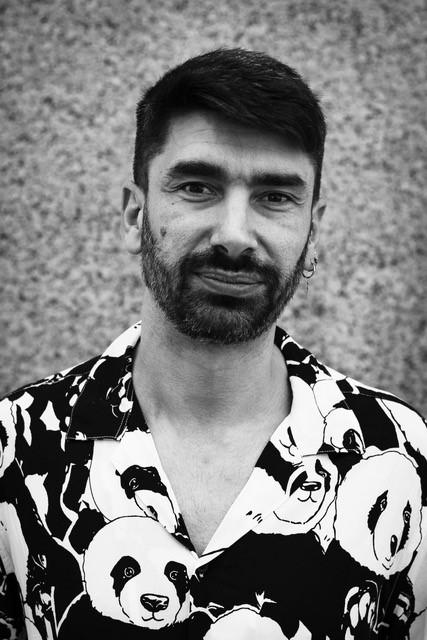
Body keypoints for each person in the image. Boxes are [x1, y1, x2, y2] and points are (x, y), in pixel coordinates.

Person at [0, 48, 426, 640]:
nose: (234, 235)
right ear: (134, 215)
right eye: (197, 187)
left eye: (275, 196)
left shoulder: (403, 457)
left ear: (313, 231)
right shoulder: (14, 447)